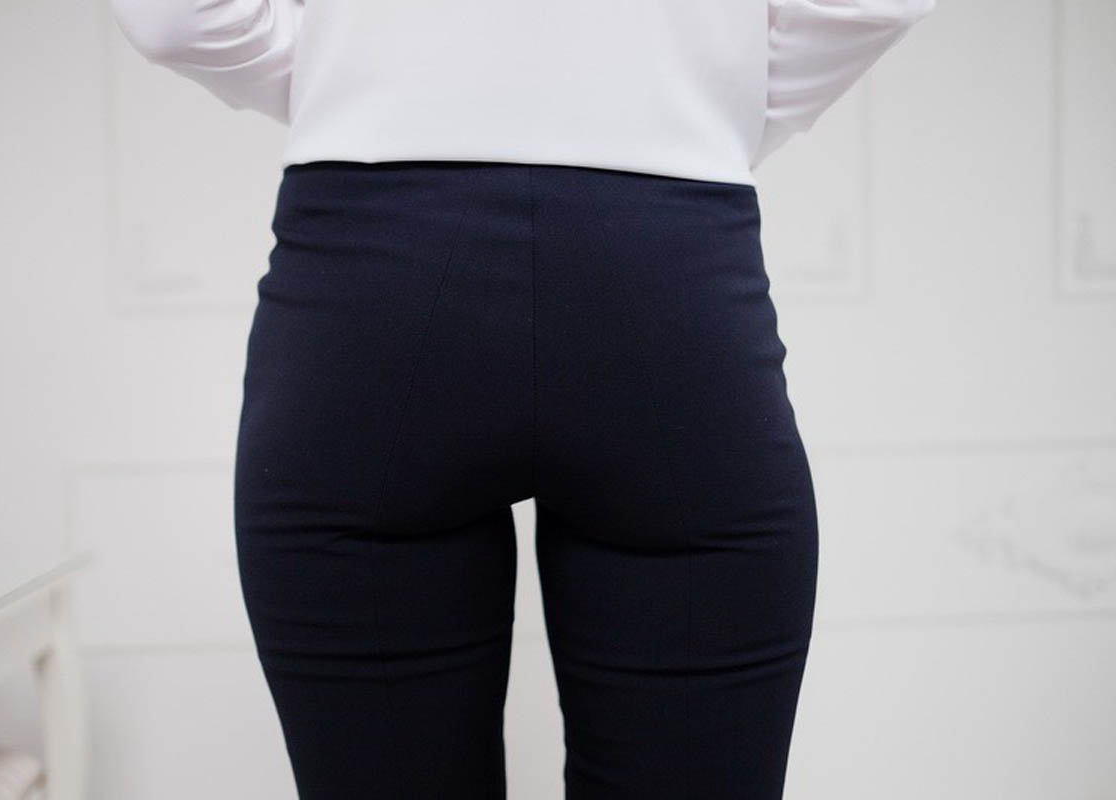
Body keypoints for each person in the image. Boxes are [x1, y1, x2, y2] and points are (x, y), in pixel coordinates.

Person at [109, 2, 936, 798]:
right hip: (666, 267)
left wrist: (360, 78)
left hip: (370, 283)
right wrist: (705, 109)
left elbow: (173, 14)